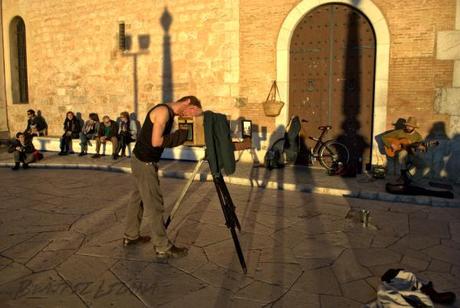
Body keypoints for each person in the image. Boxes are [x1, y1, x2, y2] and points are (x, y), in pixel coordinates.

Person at [123, 96, 202, 259]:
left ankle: (130, 236)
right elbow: (156, 141)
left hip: (139, 160)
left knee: (137, 199)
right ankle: (162, 246)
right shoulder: (163, 112)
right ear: (187, 102)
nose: (192, 117)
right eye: (193, 112)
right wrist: (181, 136)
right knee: (154, 204)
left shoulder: (167, 113)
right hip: (144, 163)